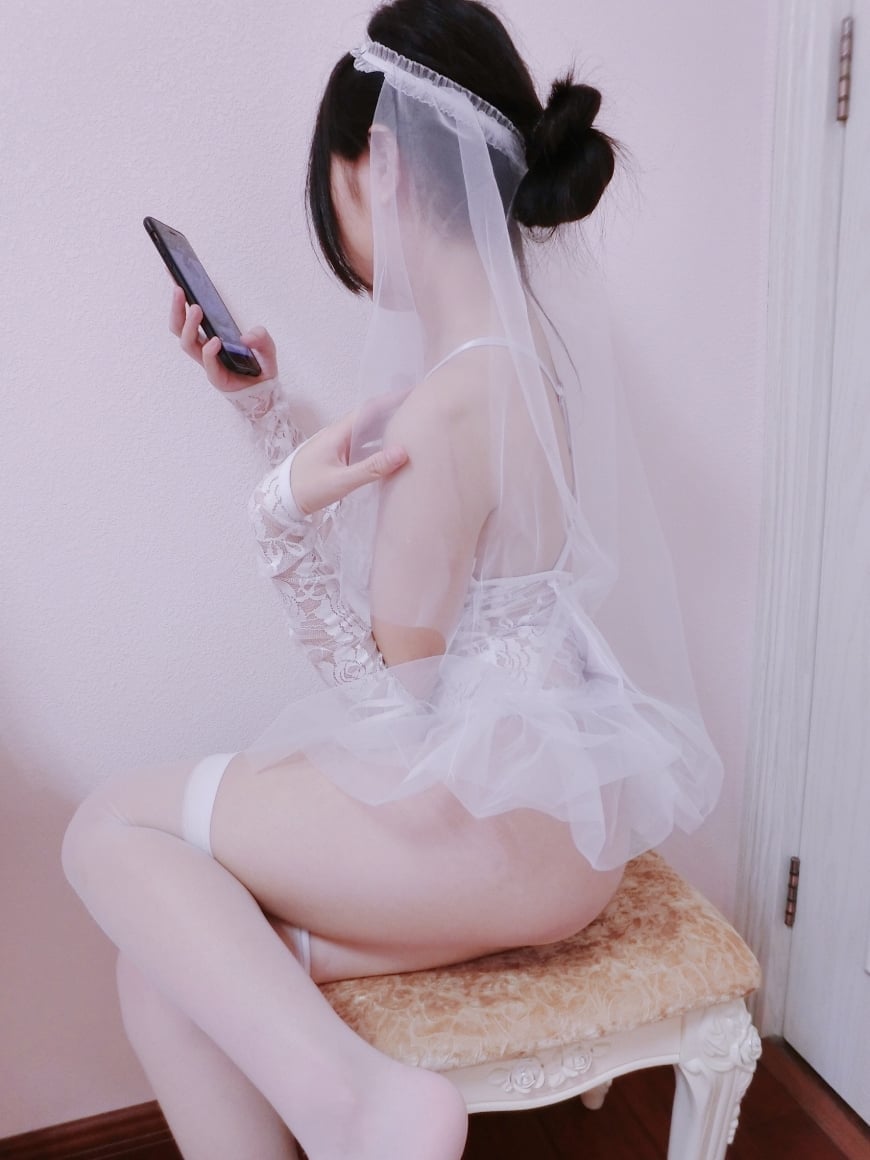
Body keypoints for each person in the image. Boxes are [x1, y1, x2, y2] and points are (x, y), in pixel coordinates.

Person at [62, 2, 723, 1158]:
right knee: (167, 966)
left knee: (107, 824)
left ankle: (371, 1111)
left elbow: (392, 711)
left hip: (494, 827)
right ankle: (357, 1112)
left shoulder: (449, 403)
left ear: (380, 160)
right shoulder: (516, 373)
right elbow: (442, 594)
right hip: (562, 823)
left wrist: (276, 515)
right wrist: (267, 415)